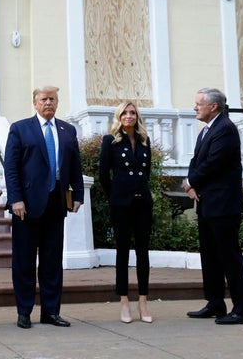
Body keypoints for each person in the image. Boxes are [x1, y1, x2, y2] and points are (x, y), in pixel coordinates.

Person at [4, 86, 84, 329]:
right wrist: (15, 199)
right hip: (26, 206)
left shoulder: (67, 130)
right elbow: (11, 167)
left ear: (57, 102)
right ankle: (24, 312)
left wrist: (78, 194)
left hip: (55, 203)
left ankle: (51, 312)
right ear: (35, 103)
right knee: (24, 261)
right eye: (44, 99)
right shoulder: (20, 129)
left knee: (52, 261)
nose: (48, 103)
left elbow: (75, 165)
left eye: (52, 99)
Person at [183, 87, 243, 325]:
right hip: (207, 204)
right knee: (210, 258)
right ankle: (215, 303)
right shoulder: (206, 131)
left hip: (224, 206)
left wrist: (191, 181)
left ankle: (242, 310)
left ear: (213, 106)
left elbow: (215, 163)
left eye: (199, 103)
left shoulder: (225, 129)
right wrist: (190, 184)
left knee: (229, 258)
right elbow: (196, 161)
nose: (195, 107)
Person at [99, 102, 154, 324]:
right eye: (125, 113)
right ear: (118, 117)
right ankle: (124, 302)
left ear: (137, 117)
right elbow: (104, 175)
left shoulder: (144, 140)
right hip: (121, 204)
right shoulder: (110, 141)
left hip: (143, 203)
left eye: (132, 113)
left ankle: (143, 302)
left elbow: (146, 171)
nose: (128, 116)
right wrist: (117, 196)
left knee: (143, 252)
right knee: (122, 253)